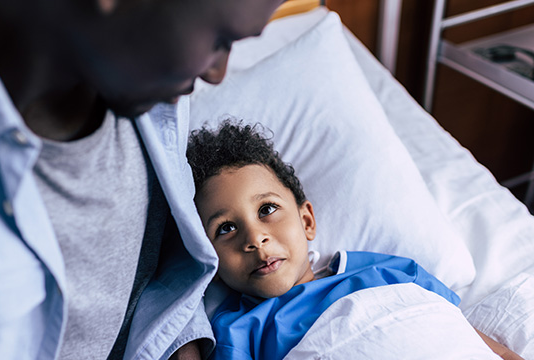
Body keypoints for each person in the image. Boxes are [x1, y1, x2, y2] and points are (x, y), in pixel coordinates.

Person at [0, 0, 284, 359]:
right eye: (221, 40)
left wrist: (183, 339)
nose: (217, 74)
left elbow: (163, 254)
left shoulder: (147, 79)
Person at [186, 120, 524, 360]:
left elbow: (465, 336)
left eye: (268, 209)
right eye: (226, 229)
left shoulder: (387, 271)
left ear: (306, 221)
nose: (255, 238)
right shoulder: (238, 330)